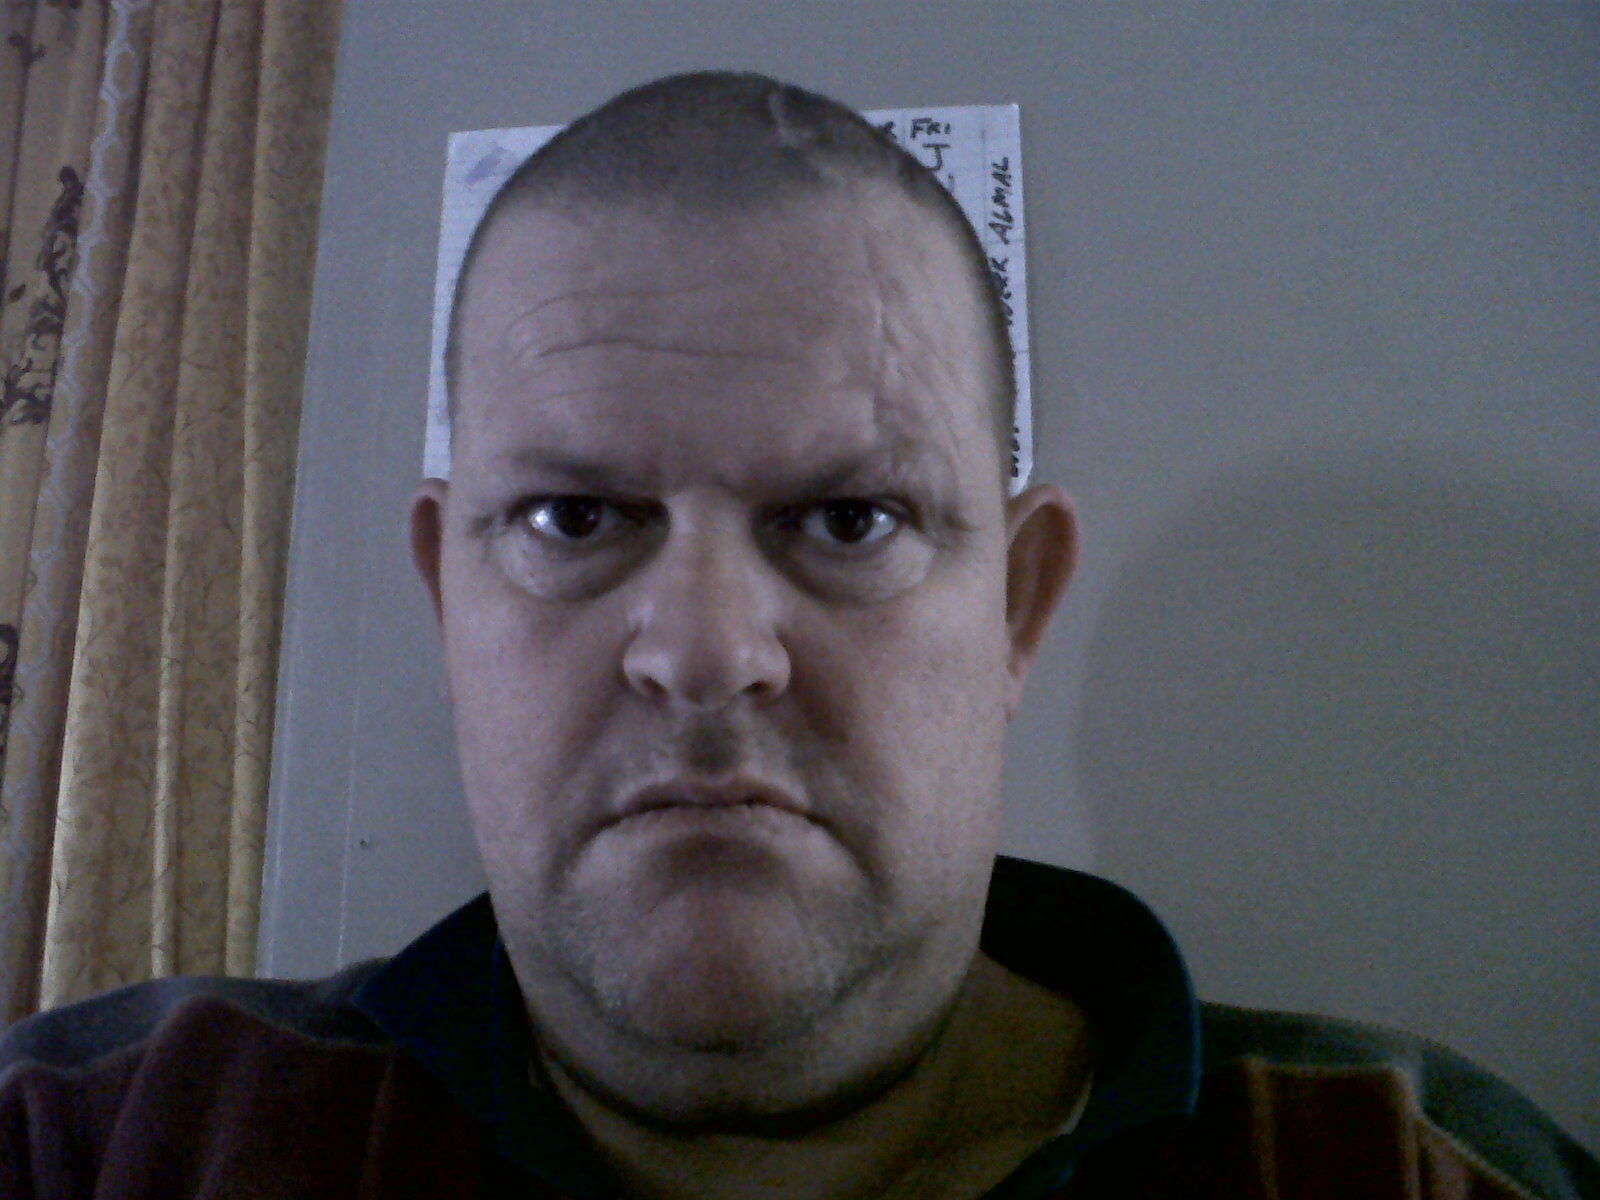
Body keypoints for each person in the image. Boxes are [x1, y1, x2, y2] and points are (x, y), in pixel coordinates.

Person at [0, 71, 1594, 1200]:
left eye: (849, 521)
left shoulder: (1411, 1168)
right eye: (574, 517)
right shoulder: (106, 1143)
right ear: (448, 596)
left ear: (1017, 605)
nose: (704, 655)